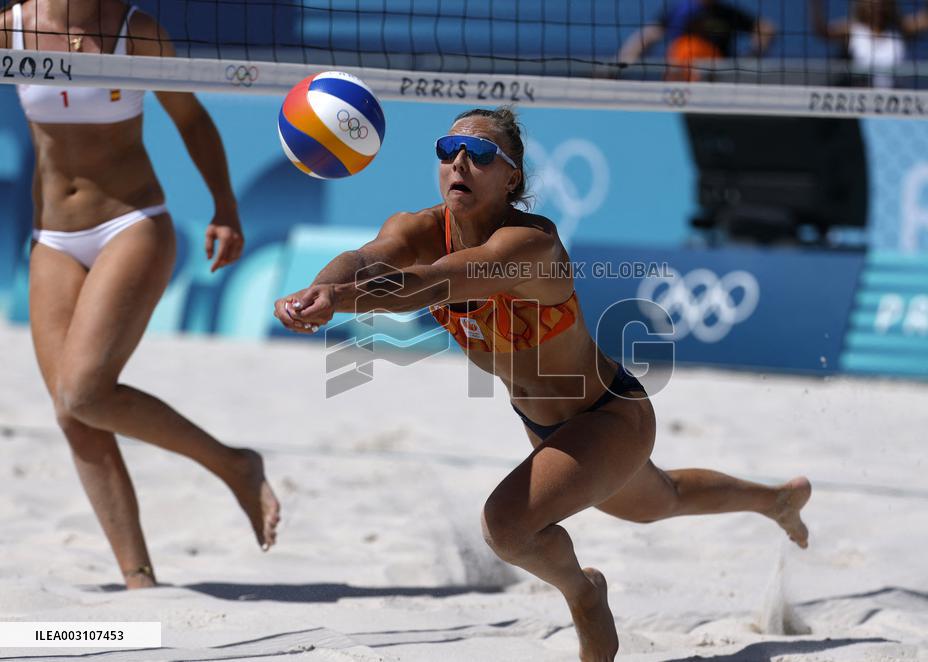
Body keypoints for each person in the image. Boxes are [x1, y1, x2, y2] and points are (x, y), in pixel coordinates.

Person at [274, 106, 811, 661]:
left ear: (512, 177)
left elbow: (433, 283)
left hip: (608, 414)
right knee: (658, 500)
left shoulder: (531, 245)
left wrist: (339, 301)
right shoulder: (417, 228)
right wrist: (321, 289)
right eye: (447, 149)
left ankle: (583, 593)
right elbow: (364, 260)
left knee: (506, 527)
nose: (460, 161)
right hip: (546, 430)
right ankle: (776, 500)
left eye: (480, 154)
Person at [0, 0, 280, 589]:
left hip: (131, 223)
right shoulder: (12, 28)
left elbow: (192, 119)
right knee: (74, 414)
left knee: (83, 391)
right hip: (51, 236)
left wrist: (225, 207)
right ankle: (140, 582)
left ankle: (232, 465)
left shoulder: (136, 30)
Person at [614, 0, 776, 81]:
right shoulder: (680, 11)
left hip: (714, 80)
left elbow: (766, 28)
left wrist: (751, 56)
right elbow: (647, 35)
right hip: (680, 81)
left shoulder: (727, 13)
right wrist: (623, 62)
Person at [810, 0, 928, 88]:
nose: (878, 5)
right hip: (859, 103)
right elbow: (823, 32)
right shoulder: (852, 30)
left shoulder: (899, 30)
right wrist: (816, 5)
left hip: (894, 103)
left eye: (882, 2)